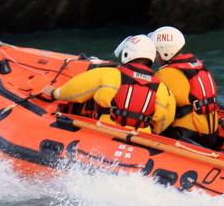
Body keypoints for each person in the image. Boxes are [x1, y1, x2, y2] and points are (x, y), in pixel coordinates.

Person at [41, 35, 176, 134]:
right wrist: (153, 131)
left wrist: (54, 93)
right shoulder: (162, 88)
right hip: (141, 137)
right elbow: (165, 119)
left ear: (128, 53)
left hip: (107, 131)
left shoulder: (109, 74)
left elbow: (75, 91)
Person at [148, 26, 220, 148]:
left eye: (156, 51)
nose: (155, 56)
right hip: (212, 134)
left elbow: (155, 106)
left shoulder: (165, 74)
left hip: (187, 136)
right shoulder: (197, 66)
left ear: (165, 52)